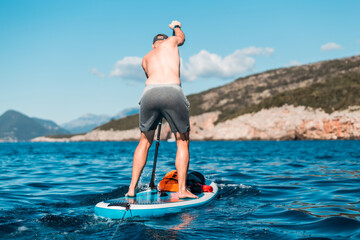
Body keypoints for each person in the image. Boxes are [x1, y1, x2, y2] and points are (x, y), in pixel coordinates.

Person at [125, 20, 198, 199]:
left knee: (144, 142)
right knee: (182, 141)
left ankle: (131, 189)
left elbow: (151, 77)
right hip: (172, 90)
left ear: (153, 45)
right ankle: (182, 190)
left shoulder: (145, 58)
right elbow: (181, 38)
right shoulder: (171, 42)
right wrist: (176, 26)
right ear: (166, 41)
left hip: (149, 93)